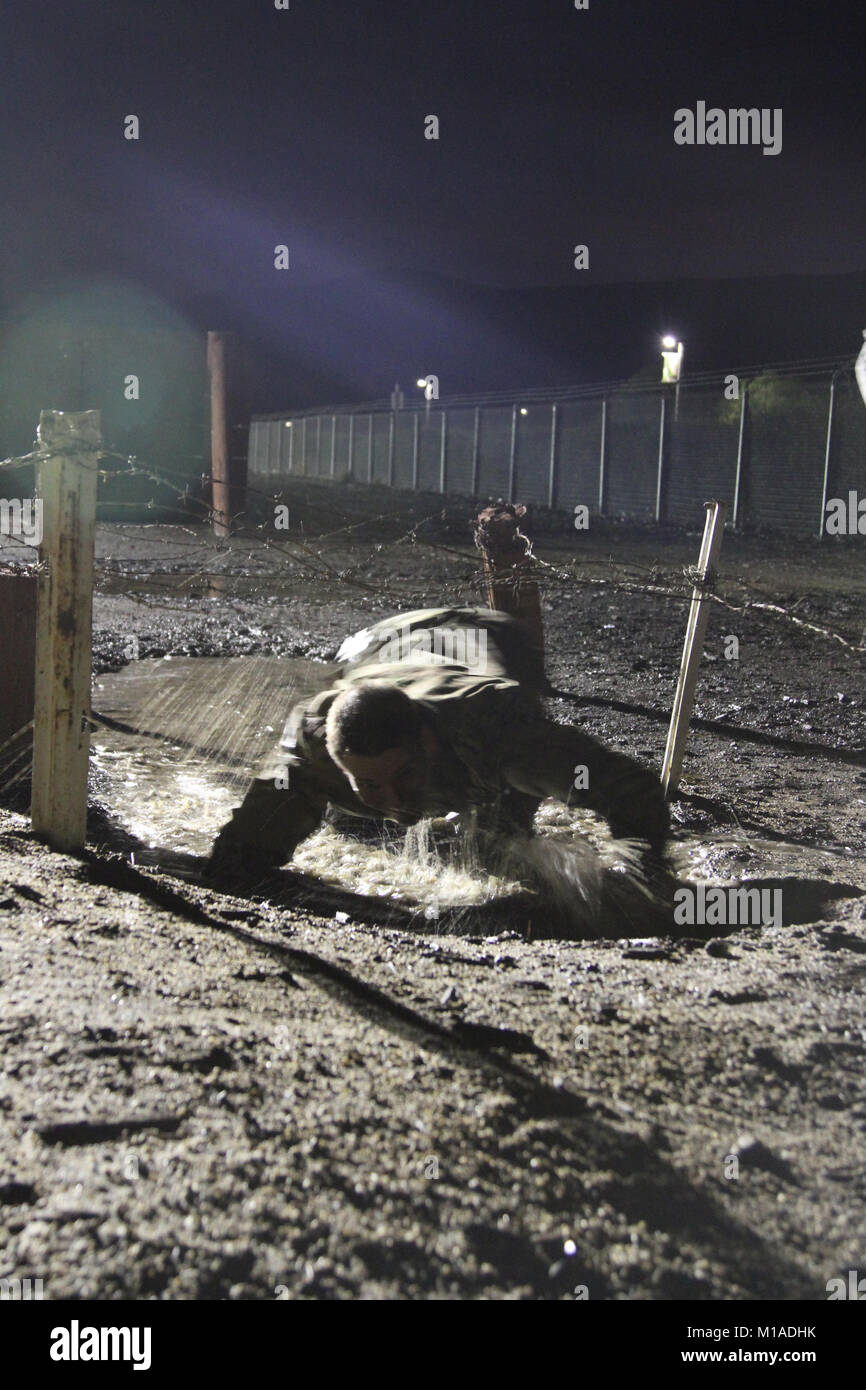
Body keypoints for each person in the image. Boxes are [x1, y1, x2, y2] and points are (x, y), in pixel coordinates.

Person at [205, 606, 669, 881]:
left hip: (486, 640)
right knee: (334, 820)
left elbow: (631, 789)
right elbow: (240, 857)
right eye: (370, 784)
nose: (395, 802)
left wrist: (640, 880)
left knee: (498, 848)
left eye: (403, 776)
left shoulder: (498, 735)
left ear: (425, 742)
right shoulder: (311, 741)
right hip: (386, 642)